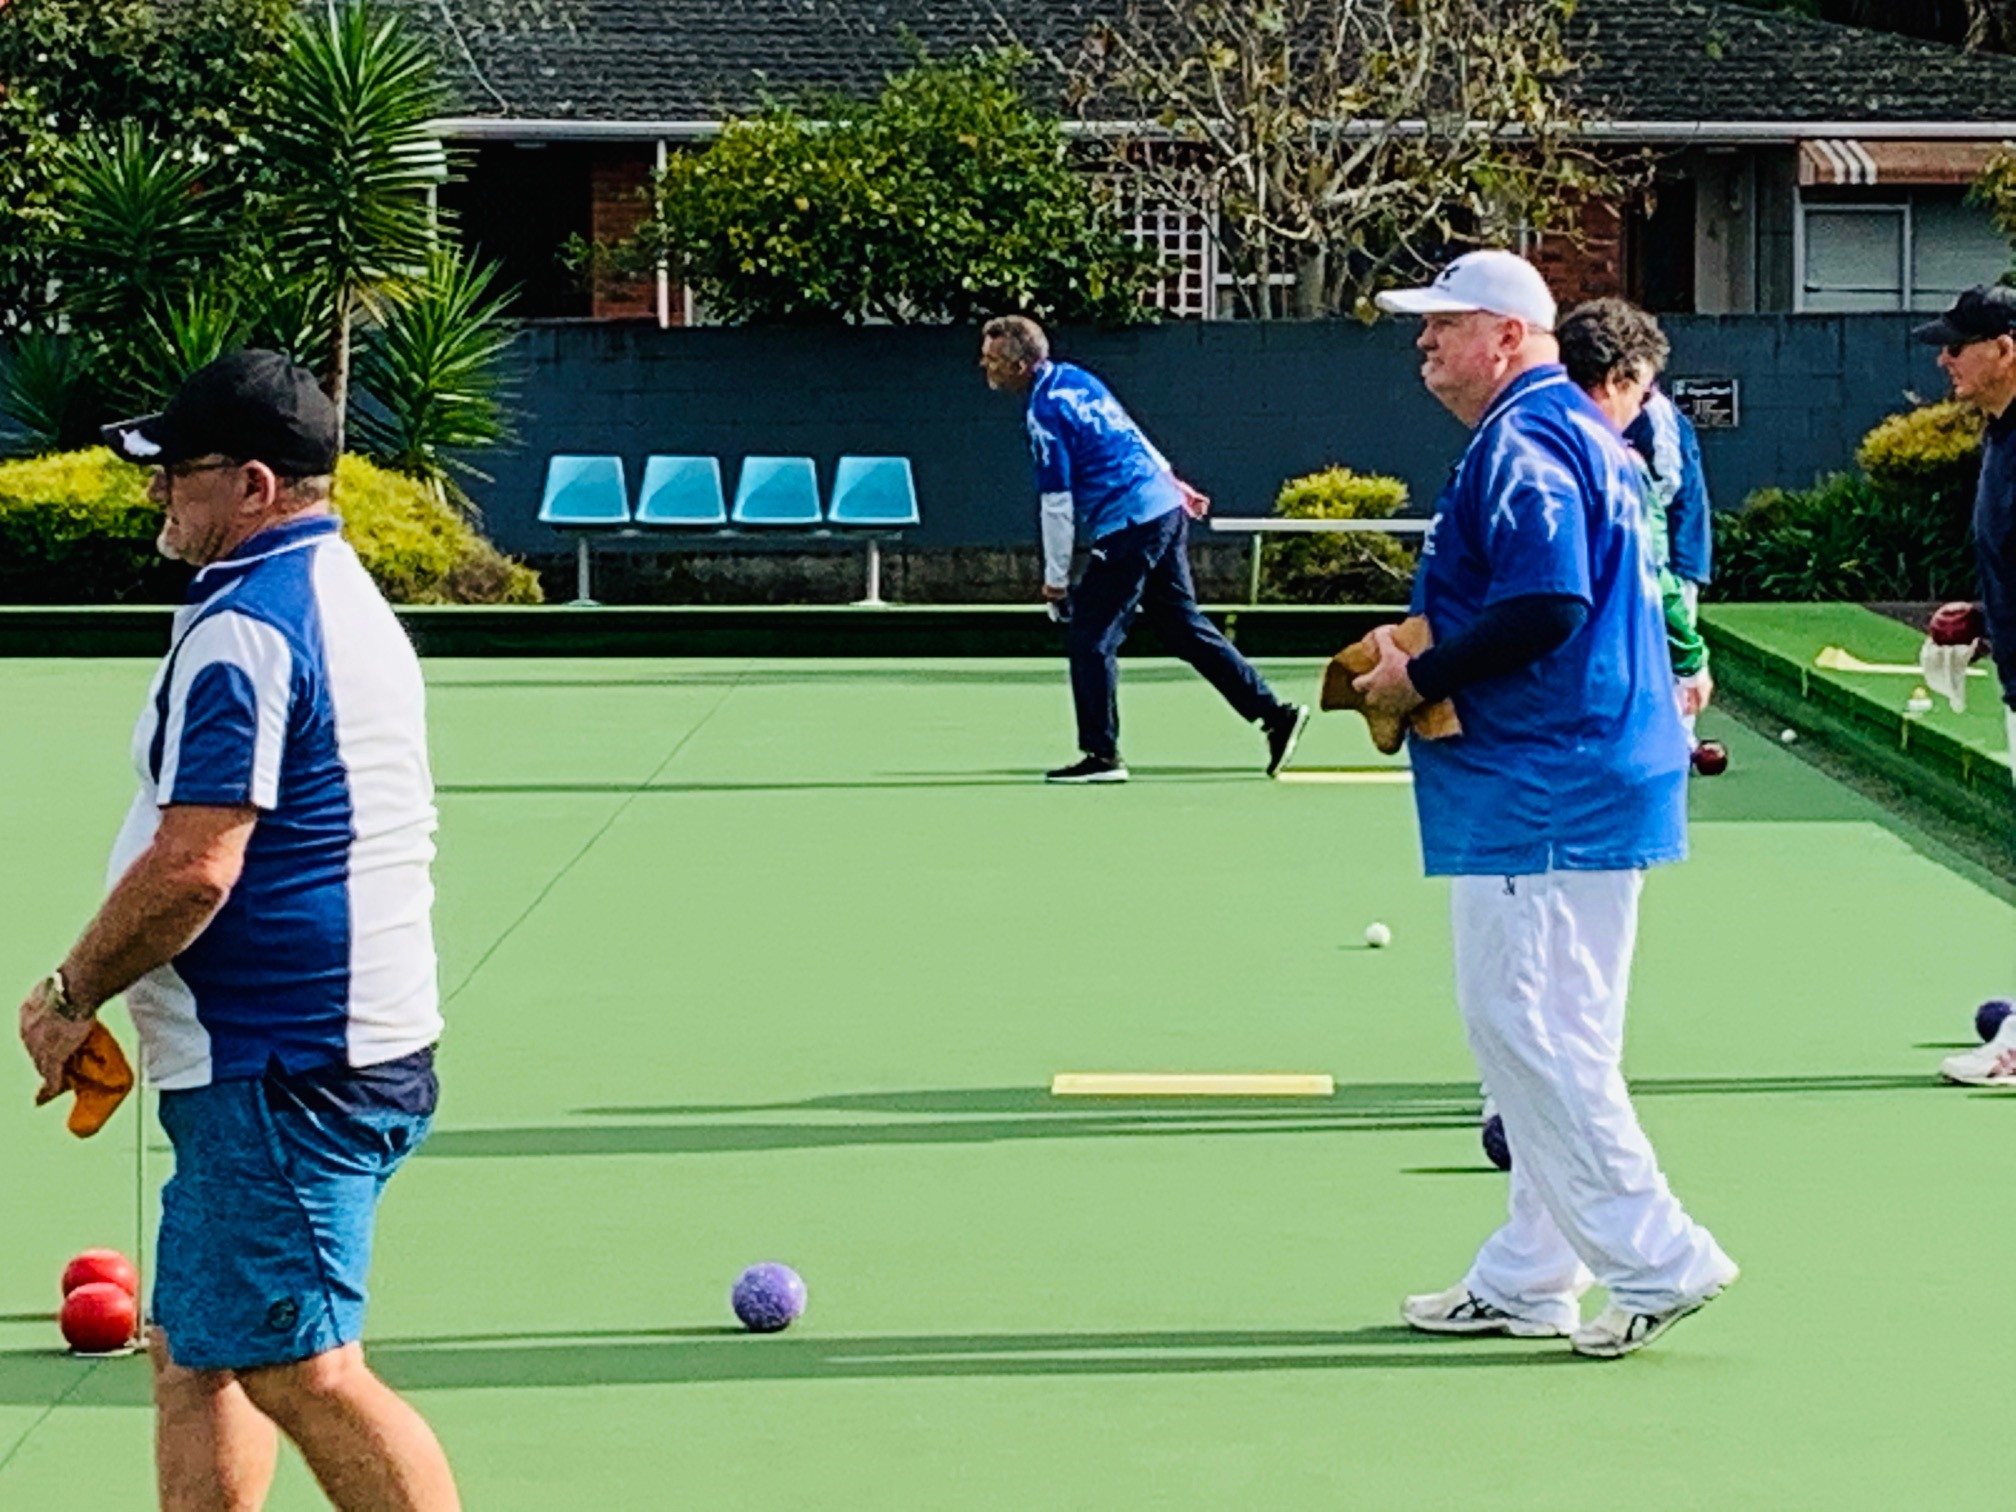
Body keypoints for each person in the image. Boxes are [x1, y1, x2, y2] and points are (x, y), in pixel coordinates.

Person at [16, 350, 459, 1510]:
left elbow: (195, 869)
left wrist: (69, 996)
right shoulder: (330, 591)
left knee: (304, 1369)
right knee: (197, 1353)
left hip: (286, 1064)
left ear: (255, 487)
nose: (160, 494)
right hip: (306, 1051)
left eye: (181, 473)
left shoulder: (249, 629)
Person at [1357, 250, 1737, 1359]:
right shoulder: (1576, 431)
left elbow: (1548, 601)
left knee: (1525, 1027)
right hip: (1582, 765)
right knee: (1554, 1031)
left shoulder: (1525, 437)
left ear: (1510, 337)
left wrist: (1415, 676)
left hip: (1545, 776)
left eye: (1445, 324)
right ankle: (1532, 1270)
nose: (1424, 343)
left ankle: (1659, 1254)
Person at [979, 315, 1309, 783]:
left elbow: (1057, 502)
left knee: (1091, 636)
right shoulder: (1075, 377)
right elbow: (1129, 431)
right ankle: (1276, 715)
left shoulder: (1044, 413)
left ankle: (1101, 756)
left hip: (1131, 522)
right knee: (1181, 626)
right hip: (1161, 510)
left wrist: (1055, 582)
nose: (984, 365)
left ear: (1018, 364)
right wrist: (1172, 481)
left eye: (992, 359)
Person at [1909, 286, 2016, 1087]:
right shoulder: (2002, 436)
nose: (1944, 359)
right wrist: (1984, 616)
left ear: (2005, 349)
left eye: (1959, 345)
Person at [1557, 300, 1714, 727]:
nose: (1645, 395)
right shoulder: (1608, 455)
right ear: (1615, 380)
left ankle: (1679, 736)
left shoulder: (1653, 419)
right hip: (1647, 555)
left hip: (1673, 555)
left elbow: (1670, 485)